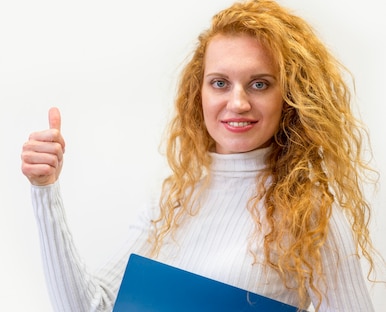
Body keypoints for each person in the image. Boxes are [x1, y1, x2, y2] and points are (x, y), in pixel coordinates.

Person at [20, 0, 381, 311]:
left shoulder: (312, 213)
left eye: (259, 84)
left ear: (289, 97)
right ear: (200, 92)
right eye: (220, 83)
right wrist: (44, 189)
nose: (237, 103)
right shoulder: (173, 201)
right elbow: (89, 308)